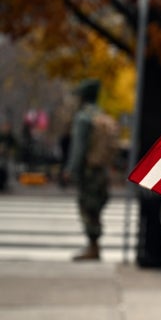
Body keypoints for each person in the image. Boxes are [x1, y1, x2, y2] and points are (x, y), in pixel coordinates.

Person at [63, 79, 110, 261]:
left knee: (87, 207)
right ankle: (94, 246)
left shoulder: (83, 117)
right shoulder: (100, 115)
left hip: (88, 171)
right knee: (95, 207)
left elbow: (79, 147)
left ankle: (93, 247)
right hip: (100, 170)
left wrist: (70, 170)